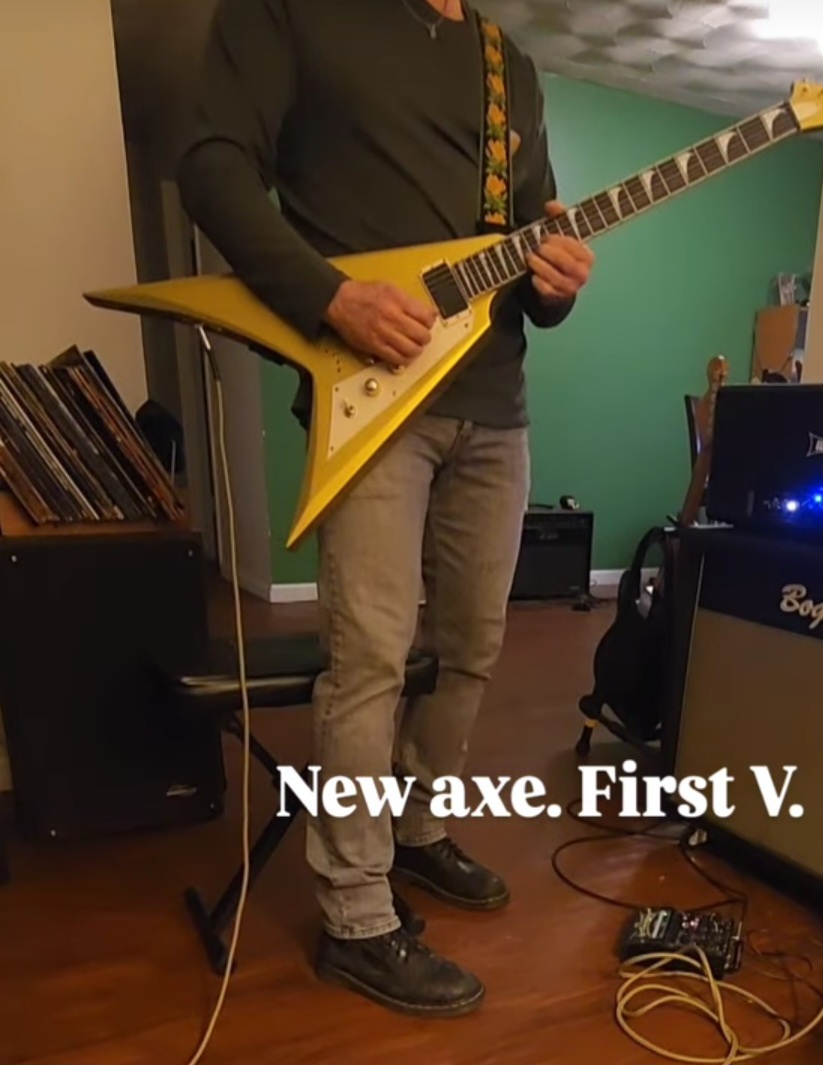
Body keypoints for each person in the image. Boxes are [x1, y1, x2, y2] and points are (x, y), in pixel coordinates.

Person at [176, 0, 594, 1018]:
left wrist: (557, 280)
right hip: (372, 405)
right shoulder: (291, 13)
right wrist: (328, 295)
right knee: (368, 655)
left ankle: (414, 828)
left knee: (471, 646)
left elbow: (527, 251)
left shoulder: (506, 62)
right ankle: (356, 915)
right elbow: (211, 165)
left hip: (494, 402)